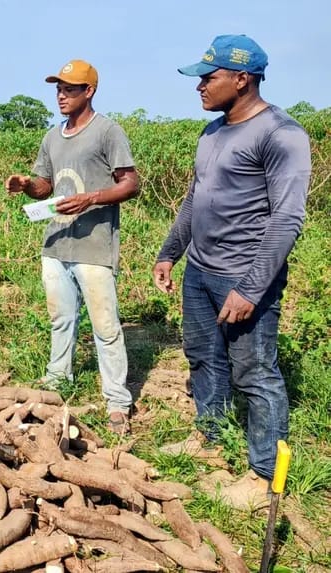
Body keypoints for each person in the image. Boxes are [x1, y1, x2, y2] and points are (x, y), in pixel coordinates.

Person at [153, 35, 311, 509]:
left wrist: (250, 288)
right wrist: (169, 253)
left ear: (242, 80)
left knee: (255, 373)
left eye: (209, 77)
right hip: (200, 271)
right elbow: (194, 199)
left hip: (243, 277)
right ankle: (212, 437)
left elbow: (287, 220)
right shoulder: (213, 132)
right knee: (203, 356)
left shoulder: (281, 135)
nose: (199, 86)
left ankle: (265, 477)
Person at [4, 60, 140, 434]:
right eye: (58, 89)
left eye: (70, 89)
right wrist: (26, 185)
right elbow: (45, 185)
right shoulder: (52, 136)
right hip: (56, 243)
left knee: (105, 326)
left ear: (89, 91)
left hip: (93, 246)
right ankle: (56, 383)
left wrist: (91, 199)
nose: (61, 96)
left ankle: (117, 402)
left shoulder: (107, 132)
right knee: (61, 319)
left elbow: (130, 184)